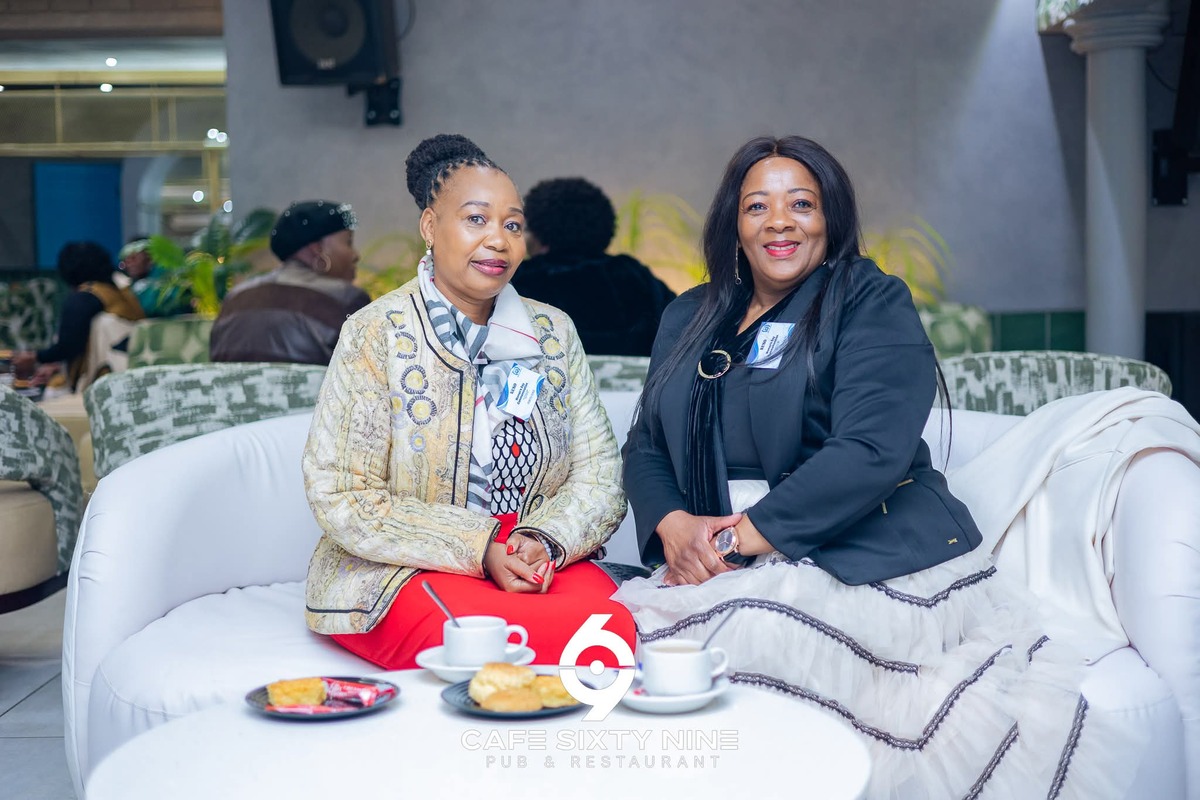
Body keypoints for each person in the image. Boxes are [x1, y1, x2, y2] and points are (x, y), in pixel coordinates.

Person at [612, 136, 1145, 798]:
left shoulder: (869, 299)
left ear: (829, 216)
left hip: (858, 546)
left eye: (800, 204)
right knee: (621, 649)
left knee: (756, 633)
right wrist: (674, 526)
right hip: (710, 549)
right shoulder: (690, 314)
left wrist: (733, 540)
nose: (779, 222)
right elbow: (646, 443)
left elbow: (871, 450)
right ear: (734, 225)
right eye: (757, 207)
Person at [302, 134, 636, 670]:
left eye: (513, 225)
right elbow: (342, 493)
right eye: (476, 219)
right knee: (482, 641)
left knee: (611, 632)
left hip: (535, 558)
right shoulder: (376, 333)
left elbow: (599, 476)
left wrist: (543, 540)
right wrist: (480, 548)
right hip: (406, 567)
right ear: (430, 227)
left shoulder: (553, 332)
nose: (498, 240)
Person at [510, 177, 675, 356]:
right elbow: (676, 327)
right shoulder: (633, 273)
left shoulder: (522, 278)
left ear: (540, 232)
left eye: (526, 229)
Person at [208, 200, 370, 365]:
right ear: (317, 249)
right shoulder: (347, 299)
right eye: (349, 242)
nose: (355, 255)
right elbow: (368, 373)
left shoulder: (234, 298)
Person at [11, 241, 144, 391]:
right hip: (134, 376)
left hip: (105, 383)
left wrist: (36, 357)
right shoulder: (123, 294)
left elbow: (69, 345)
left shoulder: (84, 298)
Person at [117, 237, 190, 318]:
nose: (129, 264)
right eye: (126, 261)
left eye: (133, 258)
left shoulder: (168, 274)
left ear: (149, 256)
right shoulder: (131, 283)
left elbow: (151, 307)